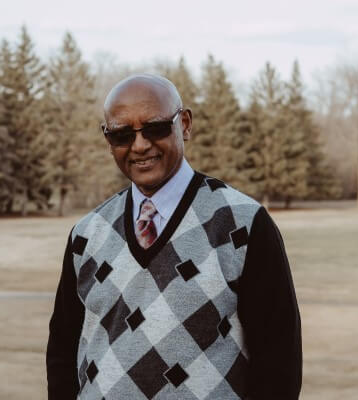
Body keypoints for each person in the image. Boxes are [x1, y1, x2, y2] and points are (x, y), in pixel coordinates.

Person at [46, 74, 302, 400]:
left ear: (185, 124)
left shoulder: (244, 224)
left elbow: (279, 361)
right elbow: (62, 352)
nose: (140, 145)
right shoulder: (86, 234)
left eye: (155, 128)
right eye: (122, 135)